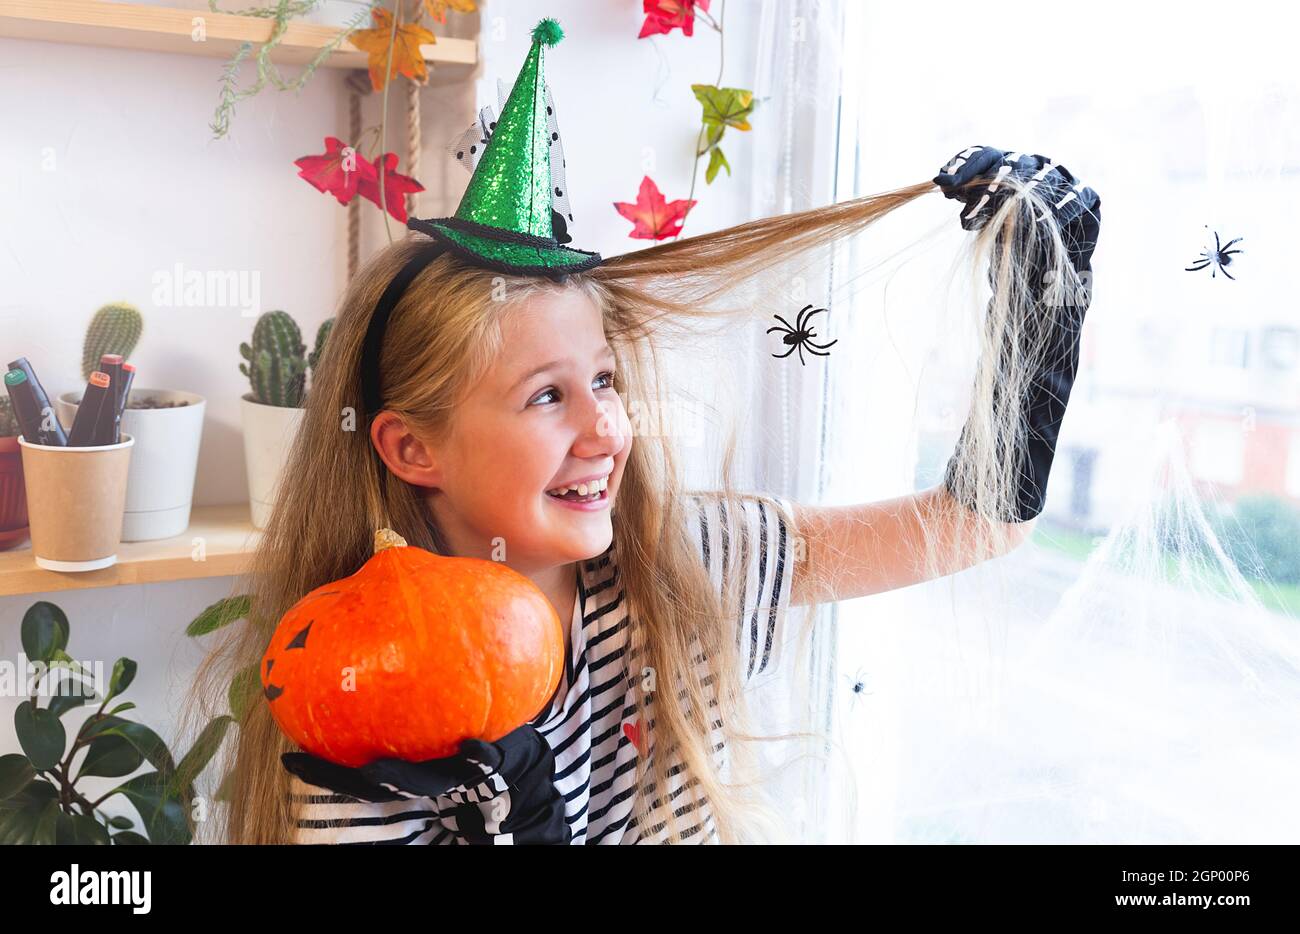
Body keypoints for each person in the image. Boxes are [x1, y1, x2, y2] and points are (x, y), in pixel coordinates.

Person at [184, 18, 1100, 844]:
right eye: (546, 397)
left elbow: (973, 525)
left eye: (606, 381)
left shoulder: (682, 563)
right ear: (410, 448)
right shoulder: (363, 698)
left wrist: (1047, 302)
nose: (606, 430)